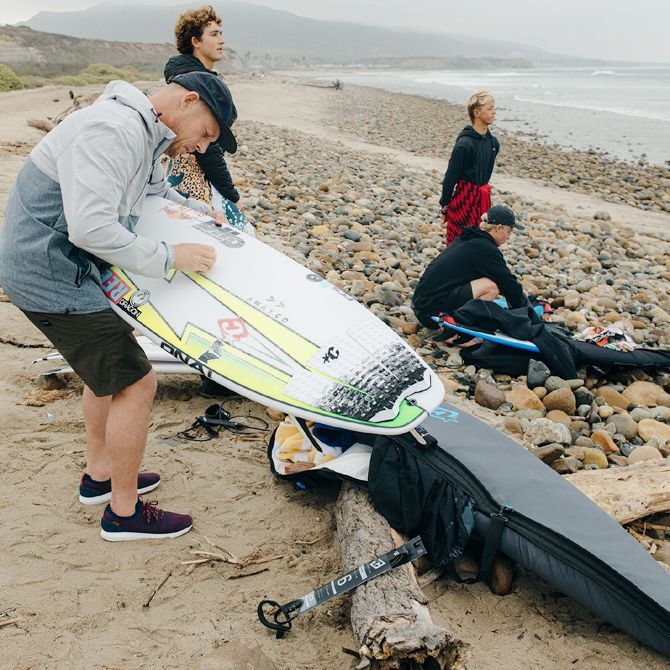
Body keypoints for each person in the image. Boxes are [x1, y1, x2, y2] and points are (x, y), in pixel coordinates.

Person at [0, 71, 238, 541]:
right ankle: (123, 513)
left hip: (63, 268)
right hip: (49, 273)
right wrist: (171, 259)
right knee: (136, 380)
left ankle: (100, 476)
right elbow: (91, 229)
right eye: (206, 133)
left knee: (109, 370)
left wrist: (193, 212)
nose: (203, 148)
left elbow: (148, 193)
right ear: (189, 101)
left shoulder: (145, 131)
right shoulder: (115, 130)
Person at [164, 5, 246, 226]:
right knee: (228, 229)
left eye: (221, 33)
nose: (221, 40)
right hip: (193, 175)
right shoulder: (193, 81)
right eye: (214, 34)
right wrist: (232, 195)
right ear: (195, 41)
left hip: (182, 171)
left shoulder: (193, 76)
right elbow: (208, 149)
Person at [411, 205, 525, 330]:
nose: (509, 237)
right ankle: (460, 330)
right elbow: (508, 282)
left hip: (421, 304)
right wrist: (521, 312)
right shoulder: (486, 249)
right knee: (491, 287)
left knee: (490, 280)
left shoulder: (470, 237)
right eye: (509, 231)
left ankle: (458, 323)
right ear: (498, 228)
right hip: (431, 313)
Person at [439, 89, 500, 246]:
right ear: (477, 113)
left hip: (483, 197)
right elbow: (450, 178)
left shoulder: (493, 143)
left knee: (480, 241)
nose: (494, 112)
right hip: (464, 198)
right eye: (490, 108)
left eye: (494, 108)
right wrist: (445, 207)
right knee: (458, 242)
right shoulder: (464, 145)